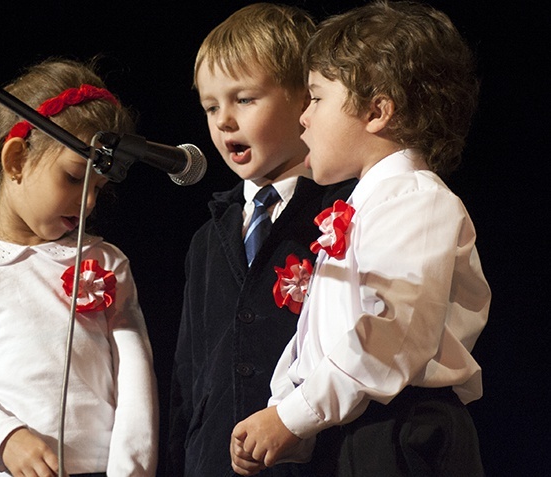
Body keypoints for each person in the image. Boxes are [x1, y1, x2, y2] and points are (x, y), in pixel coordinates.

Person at [229, 1, 491, 476]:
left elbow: (387, 337)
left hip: (405, 435)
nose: (303, 118)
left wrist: (292, 416)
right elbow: (320, 335)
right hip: (358, 430)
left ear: (377, 111)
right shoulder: (369, 204)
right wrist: (285, 409)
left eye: (316, 98)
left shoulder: (417, 200)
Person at [0, 58, 158, 477]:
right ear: (15, 160)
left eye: (98, 190)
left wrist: (131, 471)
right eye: (73, 178)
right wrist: (6, 438)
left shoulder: (105, 262)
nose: (88, 204)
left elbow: (135, 377)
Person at [167, 4, 356, 476]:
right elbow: (188, 381)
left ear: (304, 101)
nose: (224, 121)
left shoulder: (344, 211)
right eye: (211, 106)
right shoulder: (209, 238)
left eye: (245, 99)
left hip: (316, 458)